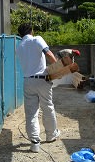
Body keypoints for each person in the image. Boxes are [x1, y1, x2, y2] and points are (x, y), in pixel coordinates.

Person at [16, 23, 61, 152]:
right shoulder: (37, 39)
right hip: (42, 79)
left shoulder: (19, 47)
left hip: (28, 81)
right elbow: (48, 53)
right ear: (32, 30)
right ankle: (51, 135)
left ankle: (35, 142)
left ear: (20, 34)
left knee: (31, 112)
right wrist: (58, 67)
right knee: (47, 106)